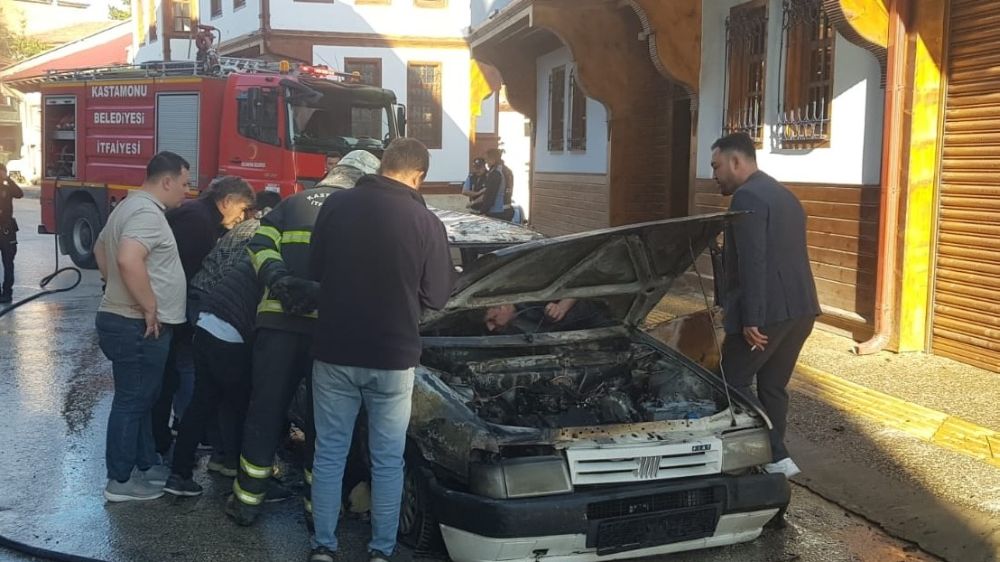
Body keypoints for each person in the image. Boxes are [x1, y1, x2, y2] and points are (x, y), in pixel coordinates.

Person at [307, 138, 453, 562]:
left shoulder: (336, 206)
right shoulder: (425, 222)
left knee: (330, 452)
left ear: (382, 164)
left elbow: (315, 271)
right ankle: (380, 551)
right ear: (417, 176)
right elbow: (439, 295)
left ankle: (324, 547)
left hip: (334, 351)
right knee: (388, 459)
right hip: (392, 357)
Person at [228, 149, 381, 526]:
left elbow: (259, 246)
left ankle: (247, 503)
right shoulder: (361, 212)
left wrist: (279, 281)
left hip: (276, 327)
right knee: (323, 425)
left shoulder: (290, 204)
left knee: (265, 413)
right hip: (327, 332)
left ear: (336, 171)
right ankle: (320, 512)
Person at [710, 132, 820, 478]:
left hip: (768, 314)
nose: (714, 174)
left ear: (736, 161)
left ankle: (776, 453)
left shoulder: (747, 196)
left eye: (716, 165)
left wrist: (752, 318)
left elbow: (753, 261)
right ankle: (774, 464)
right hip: (802, 309)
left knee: (730, 381)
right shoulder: (782, 193)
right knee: (772, 387)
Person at [164, 190, 282, 496]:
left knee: (204, 402)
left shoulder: (252, 234)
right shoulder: (272, 247)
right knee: (246, 408)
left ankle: (180, 473)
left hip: (206, 321)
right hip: (229, 332)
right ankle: (247, 477)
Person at [93, 151, 190, 502]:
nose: (186, 190)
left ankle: (145, 465)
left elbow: (100, 247)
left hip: (125, 318)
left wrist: (114, 285)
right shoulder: (147, 213)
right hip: (136, 323)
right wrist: (149, 305)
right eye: (183, 182)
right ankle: (119, 481)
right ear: (166, 181)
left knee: (142, 398)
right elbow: (126, 257)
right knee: (133, 400)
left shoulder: (128, 206)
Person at [152, 176, 256, 457]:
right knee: (187, 371)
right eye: (242, 208)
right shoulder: (198, 223)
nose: (241, 217)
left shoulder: (199, 216)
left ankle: (180, 433)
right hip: (177, 307)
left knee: (182, 371)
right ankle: (184, 432)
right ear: (227, 202)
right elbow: (187, 271)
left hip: (175, 306)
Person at [0, 162, 23, 304]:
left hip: (7, 230)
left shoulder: (7, 188)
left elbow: (19, 194)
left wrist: (8, 179)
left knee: (8, 262)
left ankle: (7, 292)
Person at [471, 148, 507, 219]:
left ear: (493, 159)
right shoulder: (503, 170)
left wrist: (483, 211)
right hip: (501, 209)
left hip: (495, 211)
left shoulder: (495, 173)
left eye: (487, 159)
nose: (486, 162)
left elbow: (490, 194)